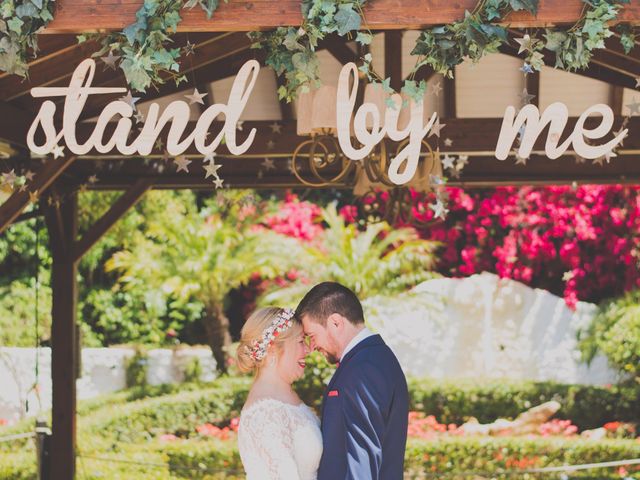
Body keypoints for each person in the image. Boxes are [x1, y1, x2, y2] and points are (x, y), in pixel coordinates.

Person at [296, 281, 409, 480]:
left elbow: (361, 459)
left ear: (336, 322)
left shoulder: (364, 368)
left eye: (311, 336)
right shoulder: (369, 359)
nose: (312, 347)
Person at [236, 307, 322, 480]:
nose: (307, 350)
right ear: (273, 350)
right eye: (300, 342)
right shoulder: (264, 414)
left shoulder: (286, 398)